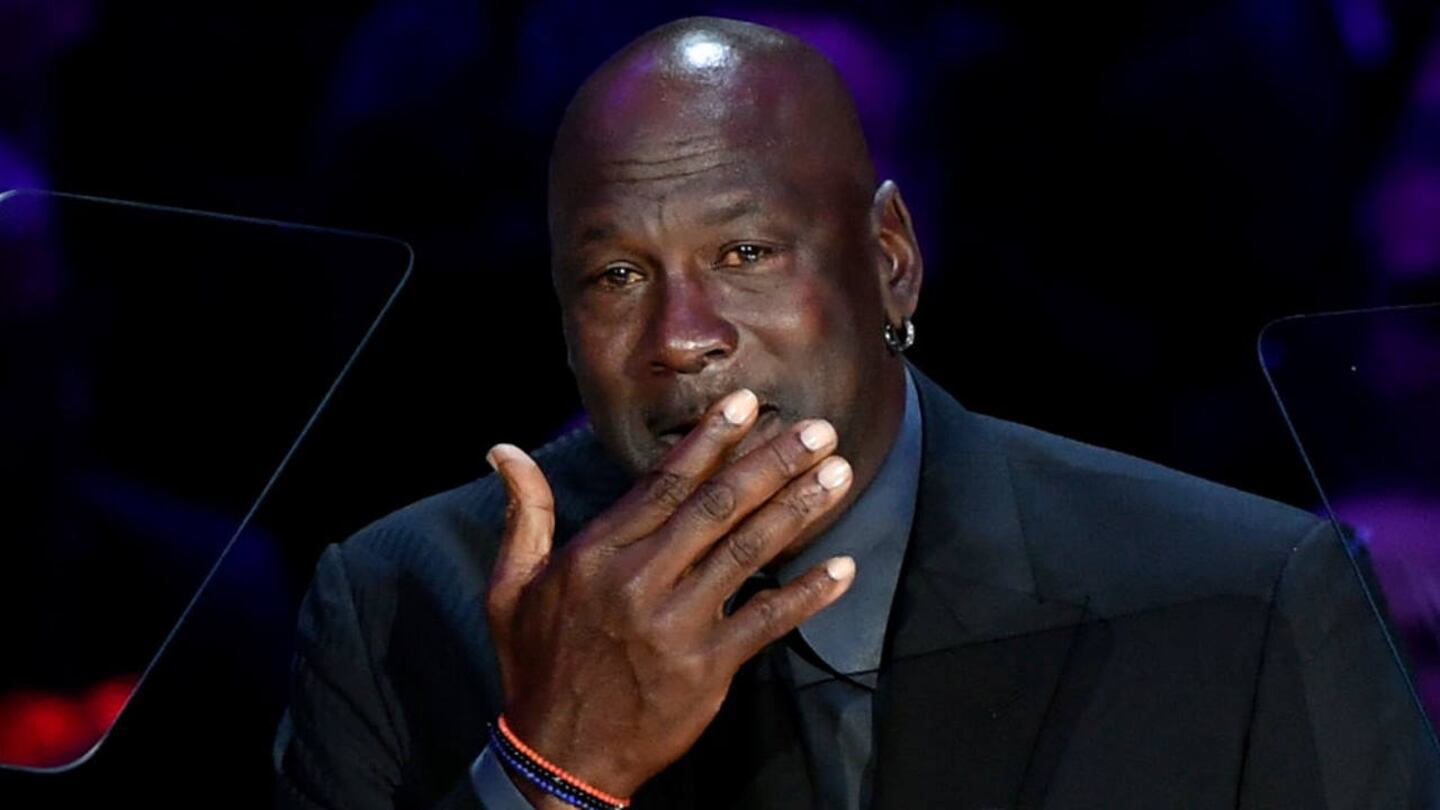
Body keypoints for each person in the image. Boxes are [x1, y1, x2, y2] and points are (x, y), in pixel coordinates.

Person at [273, 16, 1439, 810]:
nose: (682, 335)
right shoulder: (396, 602)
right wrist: (549, 770)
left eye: (745, 252)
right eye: (616, 275)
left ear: (889, 262)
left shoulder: (1244, 597)